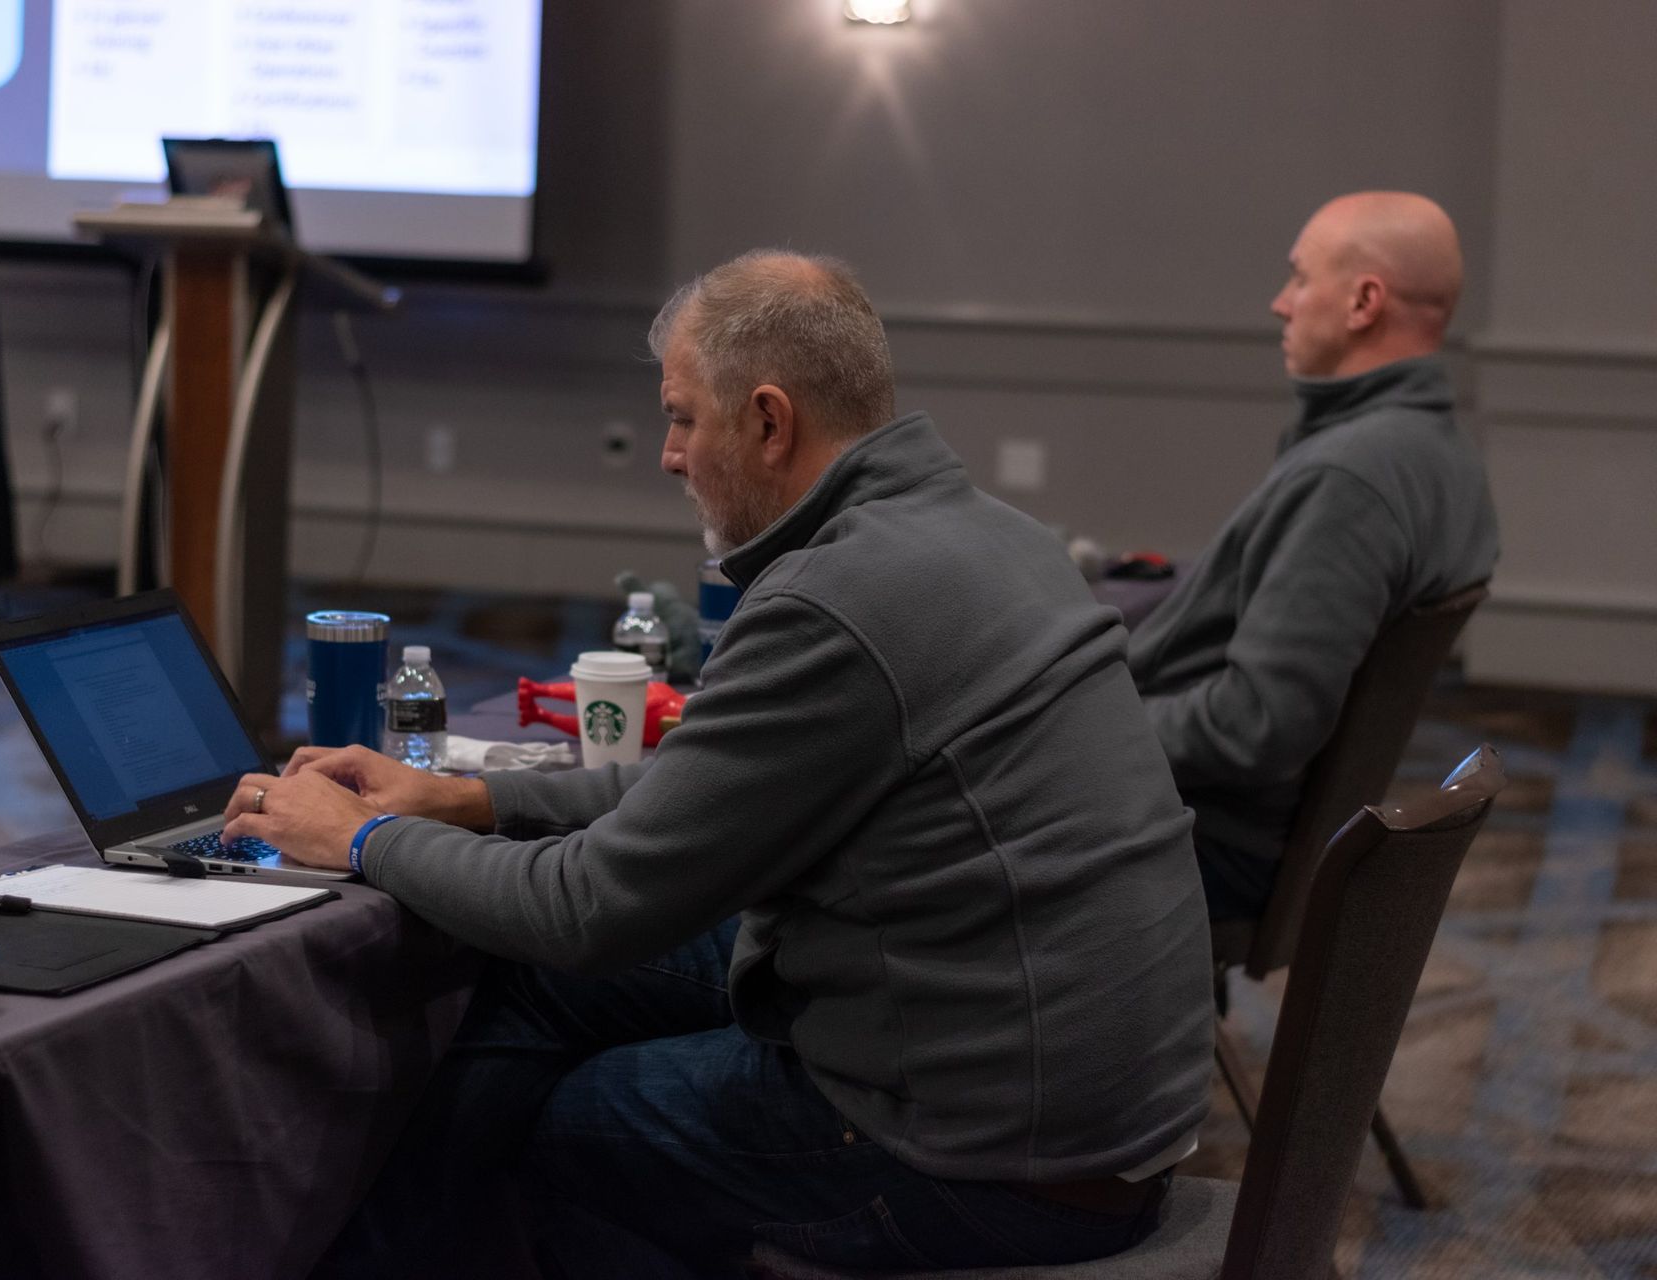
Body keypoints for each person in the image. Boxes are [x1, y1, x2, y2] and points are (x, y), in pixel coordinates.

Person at [225, 250, 1214, 1277]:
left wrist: (368, 838)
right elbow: (708, 777)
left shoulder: (834, 599)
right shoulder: (996, 538)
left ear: (770, 421)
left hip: (991, 1170)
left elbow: (592, 908)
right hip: (1091, 1111)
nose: (668, 452)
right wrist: (472, 796)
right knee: (531, 992)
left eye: (684, 417)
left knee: (573, 1126)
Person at [1127, 192, 1500, 920]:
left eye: (1300, 278)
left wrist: (1082, 728)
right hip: (1251, 823)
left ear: (1364, 301)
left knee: (897, 844)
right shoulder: (1441, 456)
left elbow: (1256, 726)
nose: (1280, 302)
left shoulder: (1351, 479)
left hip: (1207, 835)